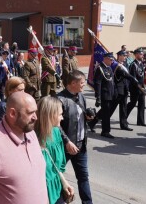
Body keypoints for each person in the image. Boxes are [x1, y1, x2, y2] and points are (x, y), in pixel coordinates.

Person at [58, 70, 94, 204]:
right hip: (64, 147)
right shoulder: (59, 99)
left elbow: (80, 118)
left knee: (83, 177)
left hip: (80, 146)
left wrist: (88, 117)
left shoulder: (81, 97)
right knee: (57, 176)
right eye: (82, 83)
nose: (83, 86)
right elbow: (56, 125)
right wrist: (67, 141)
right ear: (73, 83)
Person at [35, 96, 75, 204]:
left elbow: (55, 166)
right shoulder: (32, 139)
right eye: (60, 114)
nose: (62, 118)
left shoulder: (56, 133)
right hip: (41, 194)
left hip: (56, 190)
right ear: (50, 115)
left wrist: (64, 182)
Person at [108, 50, 138, 131]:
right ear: (119, 56)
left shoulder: (124, 64)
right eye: (124, 56)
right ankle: (95, 120)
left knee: (124, 108)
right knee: (111, 108)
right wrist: (133, 79)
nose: (125, 57)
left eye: (126, 56)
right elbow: (125, 74)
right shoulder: (115, 65)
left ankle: (124, 124)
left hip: (124, 90)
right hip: (118, 90)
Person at [91, 52, 116, 138]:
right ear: (105, 58)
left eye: (112, 60)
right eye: (110, 59)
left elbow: (112, 82)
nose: (112, 61)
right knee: (106, 114)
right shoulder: (100, 69)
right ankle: (105, 131)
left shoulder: (109, 68)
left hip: (110, 94)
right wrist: (98, 97)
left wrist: (114, 93)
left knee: (104, 112)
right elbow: (98, 84)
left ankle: (91, 122)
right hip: (104, 95)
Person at [126, 48, 146, 127]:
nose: (142, 55)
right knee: (132, 103)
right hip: (135, 88)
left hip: (141, 87)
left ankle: (141, 121)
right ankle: (123, 117)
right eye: (140, 54)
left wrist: (143, 86)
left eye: (142, 54)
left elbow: (142, 76)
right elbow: (133, 78)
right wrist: (139, 86)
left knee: (142, 105)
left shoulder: (141, 64)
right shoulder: (133, 65)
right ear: (136, 55)